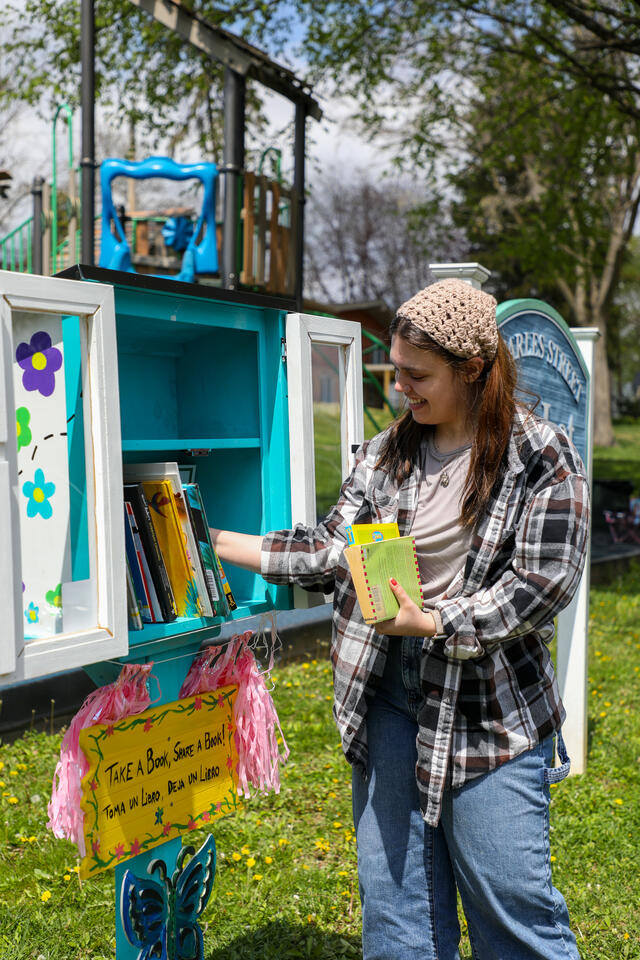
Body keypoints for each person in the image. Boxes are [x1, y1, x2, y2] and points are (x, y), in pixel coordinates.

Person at [211, 278, 589, 960]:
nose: (401, 390)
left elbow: (545, 584)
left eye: (417, 376)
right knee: (396, 916)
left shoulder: (542, 455)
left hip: (490, 711)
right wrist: (217, 544)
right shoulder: (388, 452)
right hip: (389, 698)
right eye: (395, 373)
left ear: (472, 369)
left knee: (513, 912)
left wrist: (439, 621)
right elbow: (336, 549)